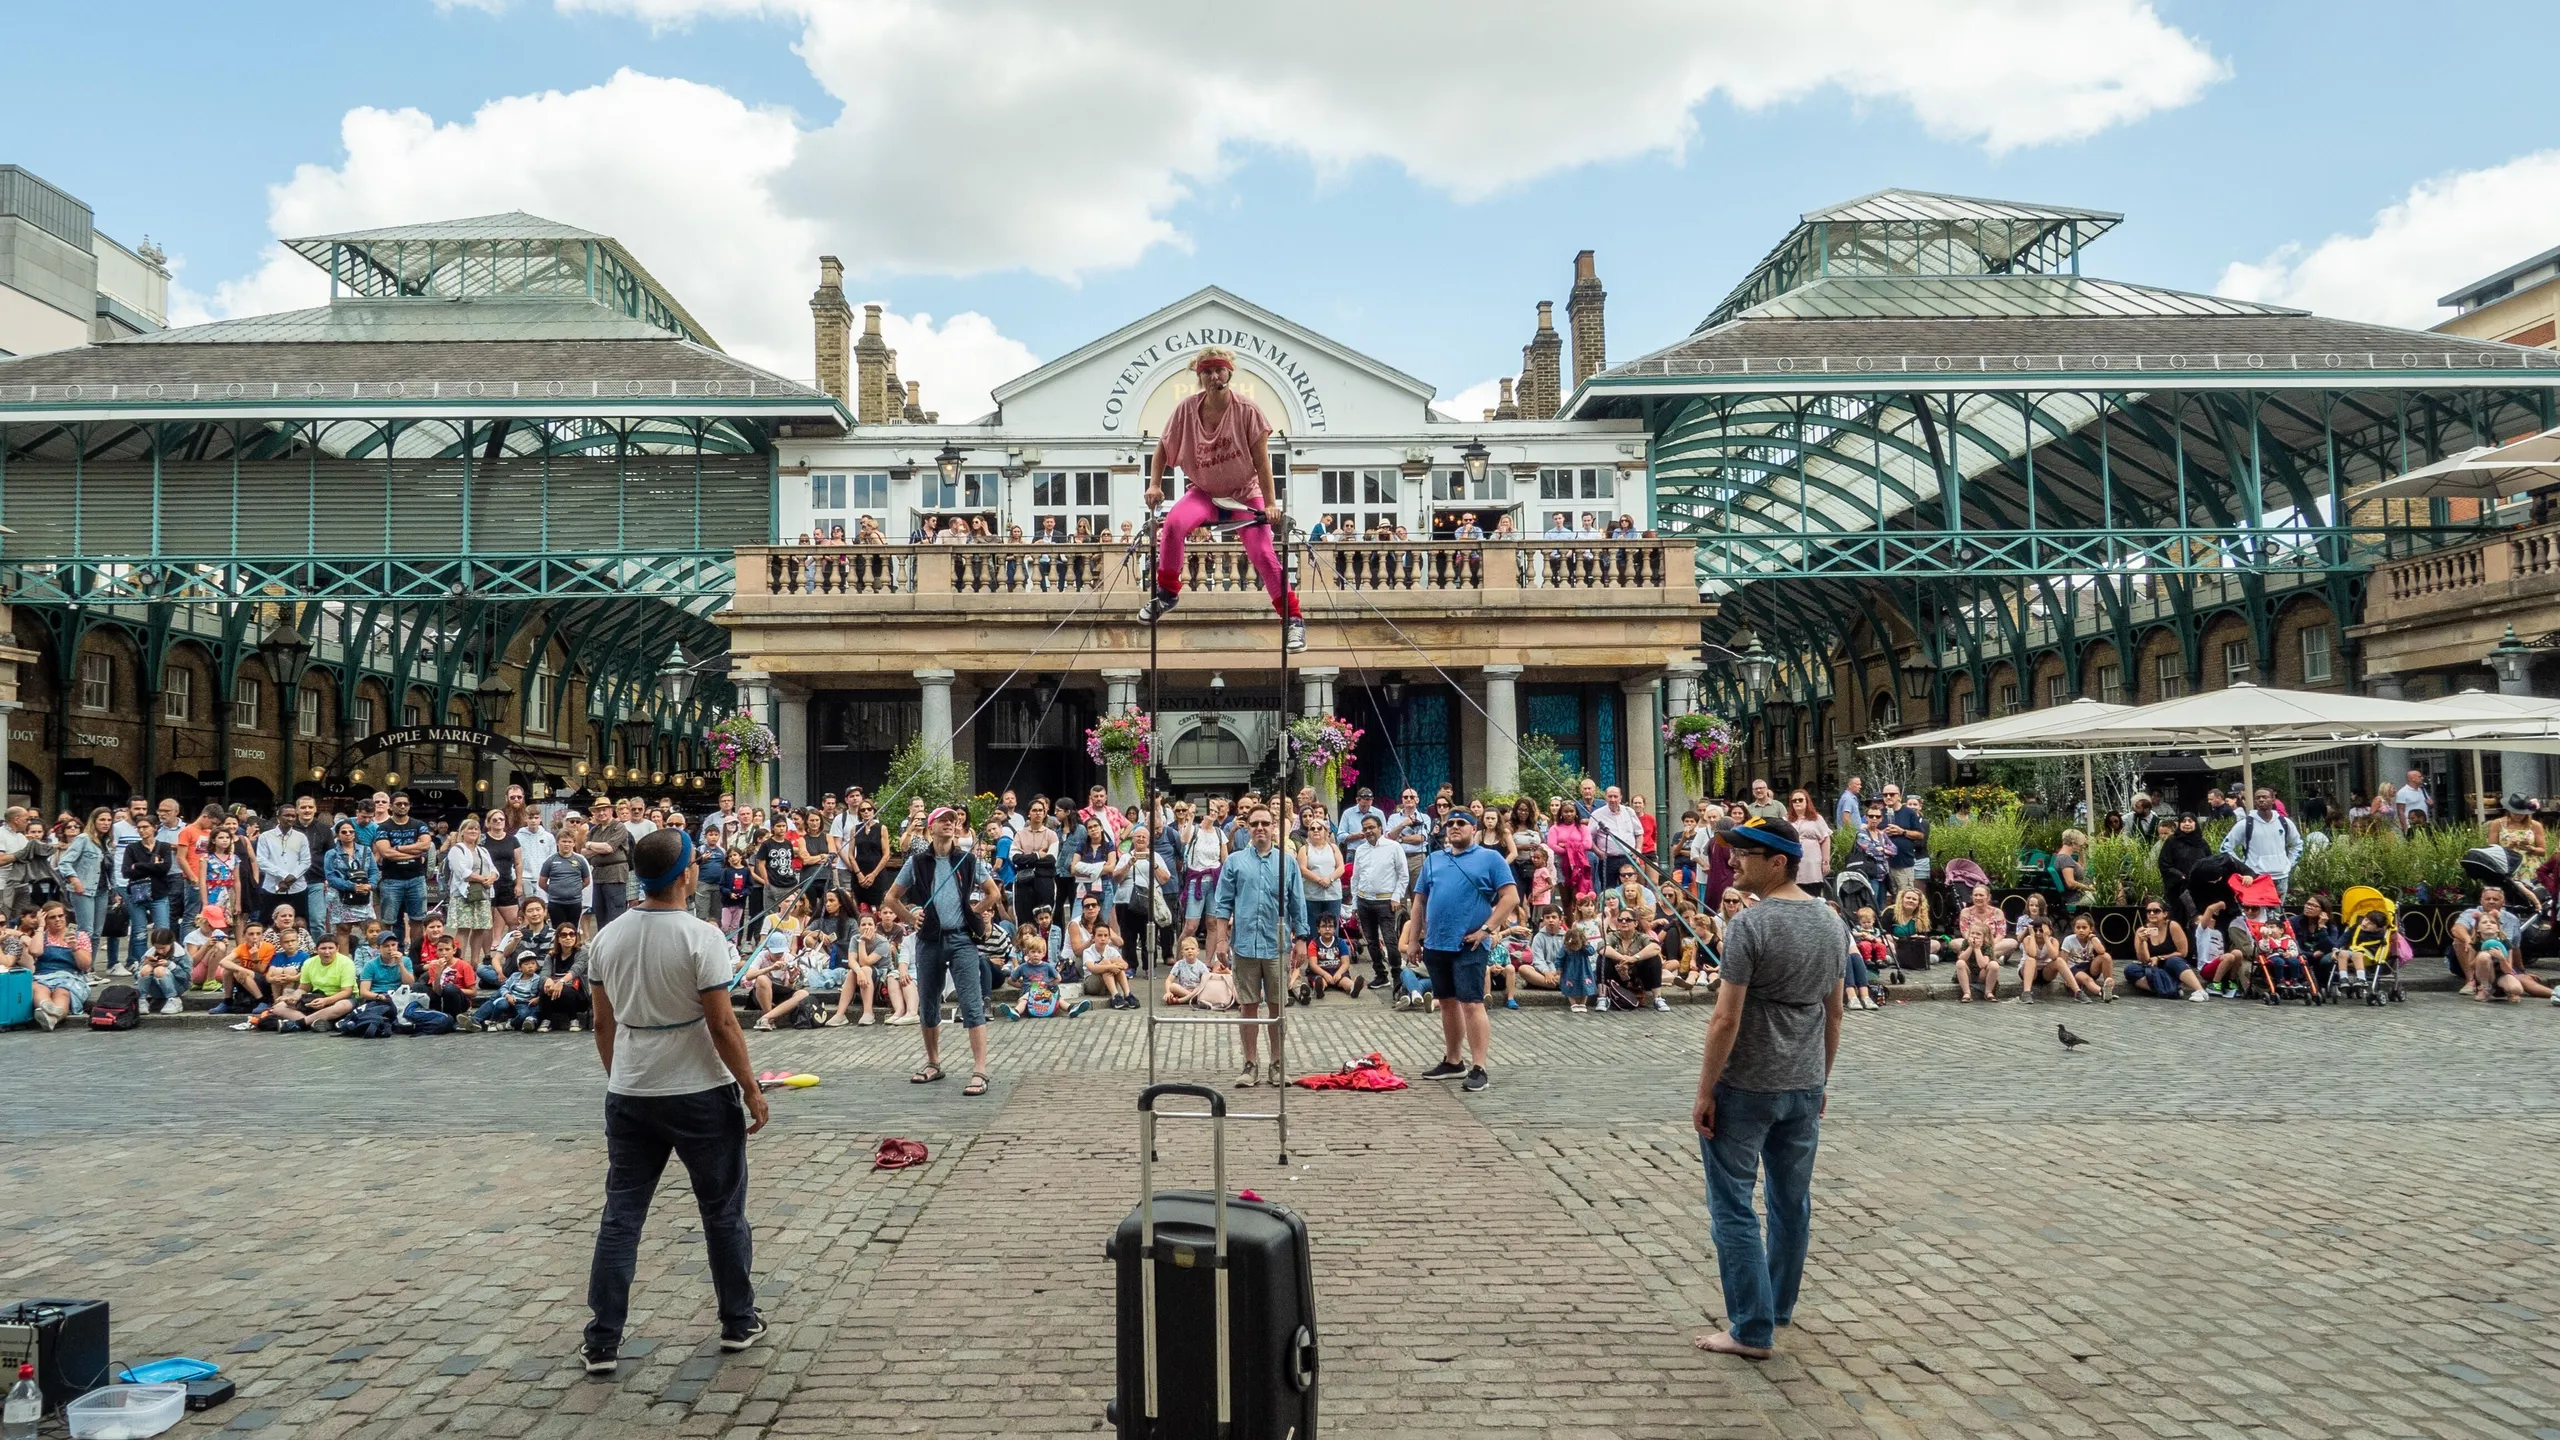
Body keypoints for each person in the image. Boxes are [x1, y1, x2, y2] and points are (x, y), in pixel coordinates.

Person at [582, 826, 767, 1375]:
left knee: (621, 1217)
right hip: (700, 1094)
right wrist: (752, 1087)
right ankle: (738, 1320)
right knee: (723, 1212)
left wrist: (623, 1077)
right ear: (686, 873)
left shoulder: (607, 936)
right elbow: (723, 1022)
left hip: (631, 1092)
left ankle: (602, 1340)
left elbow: (601, 1021)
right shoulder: (702, 937)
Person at [1689, 817, 1846, 1361]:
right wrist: (1821, 1078)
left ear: (1778, 861)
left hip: (1748, 1086)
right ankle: (1777, 1306)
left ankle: (1752, 1329)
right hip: (1803, 1084)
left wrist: (1706, 1090)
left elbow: (1724, 1021)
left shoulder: (1749, 927)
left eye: (1743, 853)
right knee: (1789, 1202)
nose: (1731, 861)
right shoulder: (1831, 922)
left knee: (1732, 1205)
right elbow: (1835, 1013)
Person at [1136, 347, 1307, 651]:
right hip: (1204, 491)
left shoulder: (1247, 410)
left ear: (1229, 373)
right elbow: (1162, 447)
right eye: (1207, 371)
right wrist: (1155, 485)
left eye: (1219, 370)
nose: (1214, 376)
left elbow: (1262, 462)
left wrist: (1269, 504)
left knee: (1263, 554)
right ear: (1199, 376)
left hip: (1244, 493)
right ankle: (1167, 594)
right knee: (1174, 524)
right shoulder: (1186, 409)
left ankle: (1293, 620)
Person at [882, 806, 1006, 1097]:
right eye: (943, 820)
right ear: (932, 827)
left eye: (953, 820)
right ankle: (933, 1063)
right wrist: (911, 917)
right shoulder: (917, 862)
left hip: (961, 939)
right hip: (928, 940)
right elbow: (891, 897)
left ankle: (980, 1071)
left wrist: (973, 911)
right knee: (927, 1003)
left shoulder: (967, 859)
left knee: (972, 1003)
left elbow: (994, 892)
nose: (949, 824)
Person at [1399, 807, 1519, 1091]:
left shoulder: (1491, 858)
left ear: (1473, 828)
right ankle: (1454, 1061)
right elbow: (1419, 902)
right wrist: (1414, 940)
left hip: (1470, 943)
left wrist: (1487, 930)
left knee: (1472, 1003)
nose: (1454, 827)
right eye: (1450, 823)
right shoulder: (1433, 860)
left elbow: (1510, 897)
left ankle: (1480, 1067)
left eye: (1461, 823)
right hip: (1436, 943)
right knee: (1447, 1003)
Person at [1208, 803, 1305, 1089]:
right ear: (1247, 828)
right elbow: (1222, 904)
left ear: (1274, 826)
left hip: (1276, 945)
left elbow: (1297, 903)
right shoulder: (1235, 862)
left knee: (1277, 1007)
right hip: (1245, 945)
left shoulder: (1287, 862)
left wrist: (1301, 940)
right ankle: (1250, 1064)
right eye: (1255, 824)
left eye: (1265, 823)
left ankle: (1277, 1063)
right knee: (1247, 1006)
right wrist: (1222, 939)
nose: (1260, 828)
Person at [371, 793, 435, 948]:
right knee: (388, 921)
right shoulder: (383, 827)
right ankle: (388, 952)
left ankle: (415, 954)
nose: (402, 806)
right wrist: (414, 853)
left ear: (409, 805)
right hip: (391, 880)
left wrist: (399, 848)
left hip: (416, 879)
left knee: (418, 919)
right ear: (391, 806)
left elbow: (426, 845)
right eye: (398, 804)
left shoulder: (419, 824)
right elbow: (386, 853)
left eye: (405, 804)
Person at [2220, 788, 2303, 897]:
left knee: (2277, 913)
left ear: (2273, 800)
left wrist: (2289, 863)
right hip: (2257, 877)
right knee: (2257, 912)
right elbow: (2225, 848)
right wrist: (2243, 868)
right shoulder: (2245, 824)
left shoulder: (2285, 822)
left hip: (2281, 877)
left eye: (2265, 797)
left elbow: (2298, 844)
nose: (2261, 800)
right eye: (2257, 798)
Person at [1878, 784, 1928, 893]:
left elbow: (1920, 835)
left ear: (1899, 796)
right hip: (1882, 865)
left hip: (1903, 863)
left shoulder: (1909, 812)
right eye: (1885, 795)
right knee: (1886, 898)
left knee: (1904, 895)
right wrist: (1883, 833)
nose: (1888, 797)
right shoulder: (1879, 814)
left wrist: (1903, 831)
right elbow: (1871, 834)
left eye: (1892, 794)